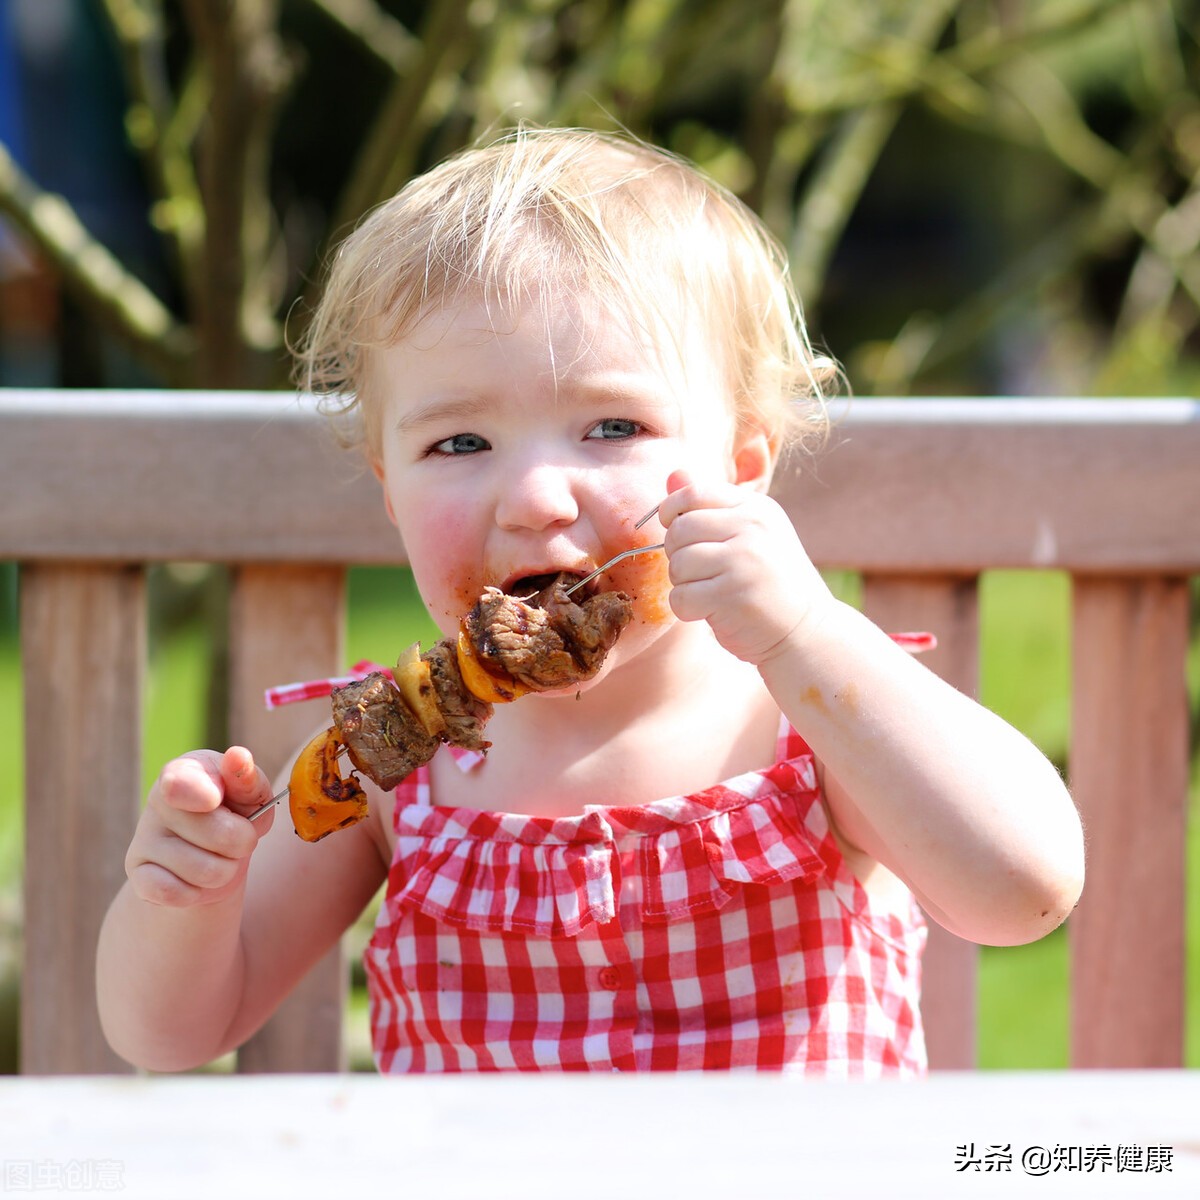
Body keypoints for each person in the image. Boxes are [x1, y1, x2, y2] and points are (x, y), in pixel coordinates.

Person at [96, 126, 1084, 1076]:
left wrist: (810, 634)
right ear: (392, 492)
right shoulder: (390, 764)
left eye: (612, 427)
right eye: (460, 444)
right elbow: (179, 1031)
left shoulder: (815, 714)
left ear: (740, 471)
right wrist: (183, 900)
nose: (533, 498)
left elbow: (1023, 890)